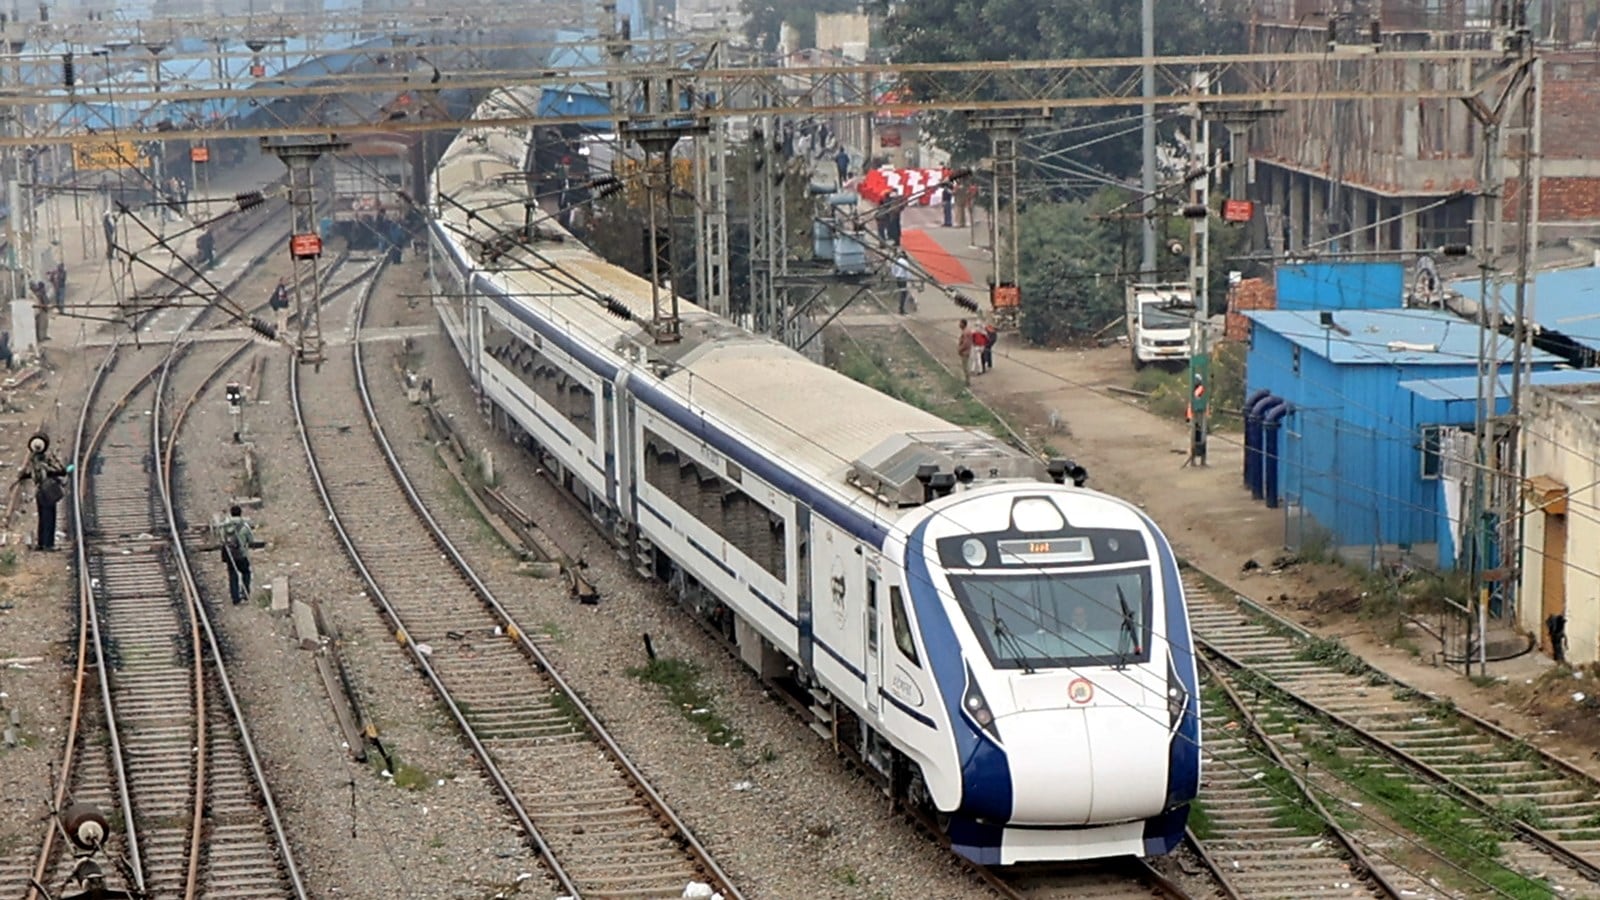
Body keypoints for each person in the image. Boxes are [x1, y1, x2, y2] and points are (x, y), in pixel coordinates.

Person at [17, 434, 68, 551]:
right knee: (50, 517)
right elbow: (61, 470)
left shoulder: (32, 460)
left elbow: (25, 474)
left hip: (39, 491)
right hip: (49, 491)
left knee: (42, 517)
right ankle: (48, 544)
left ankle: (41, 543)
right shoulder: (48, 458)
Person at [217, 505, 254, 605]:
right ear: (240, 513)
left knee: (233, 576)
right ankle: (245, 592)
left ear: (231, 513)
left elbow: (221, 538)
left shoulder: (225, 525)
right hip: (241, 554)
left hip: (230, 555)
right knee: (246, 573)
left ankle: (235, 598)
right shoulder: (244, 525)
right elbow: (251, 540)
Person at [957, 319, 973, 385]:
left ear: (963, 324)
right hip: (964, 351)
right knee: (965, 366)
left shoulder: (966, 332)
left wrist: (960, 349)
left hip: (965, 352)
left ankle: (967, 381)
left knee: (965, 367)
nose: (959, 325)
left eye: (960, 323)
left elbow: (966, 343)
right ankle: (967, 380)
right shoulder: (965, 331)